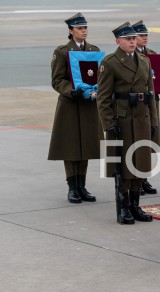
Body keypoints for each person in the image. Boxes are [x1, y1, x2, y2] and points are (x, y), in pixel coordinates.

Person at [96, 22, 157, 224]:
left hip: (142, 118)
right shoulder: (110, 62)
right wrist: (108, 123)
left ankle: (135, 205)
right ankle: (123, 208)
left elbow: (151, 95)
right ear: (118, 41)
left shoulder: (144, 61)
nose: (132, 42)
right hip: (122, 120)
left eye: (134, 38)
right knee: (122, 166)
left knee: (140, 164)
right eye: (128, 39)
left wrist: (155, 123)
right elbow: (103, 98)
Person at [48, 12, 103, 204]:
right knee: (71, 146)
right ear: (71, 31)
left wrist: (97, 89)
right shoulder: (62, 51)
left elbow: (98, 76)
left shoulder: (93, 50)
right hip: (70, 105)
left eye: (86, 27)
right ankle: (72, 187)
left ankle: (82, 186)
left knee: (86, 145)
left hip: (88, 105)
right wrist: (73, 91)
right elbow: (57, 80)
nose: (84, 31)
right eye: (80, 28)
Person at [132, 20, 159, 195]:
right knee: (136, 143)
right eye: (142, 35)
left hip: (152, 102)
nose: (145, 38)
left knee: (149, 141)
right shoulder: (132, 56)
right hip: (137, 105)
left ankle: (144, 178)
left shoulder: (153, 55)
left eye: (146, 35)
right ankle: (136, 180)